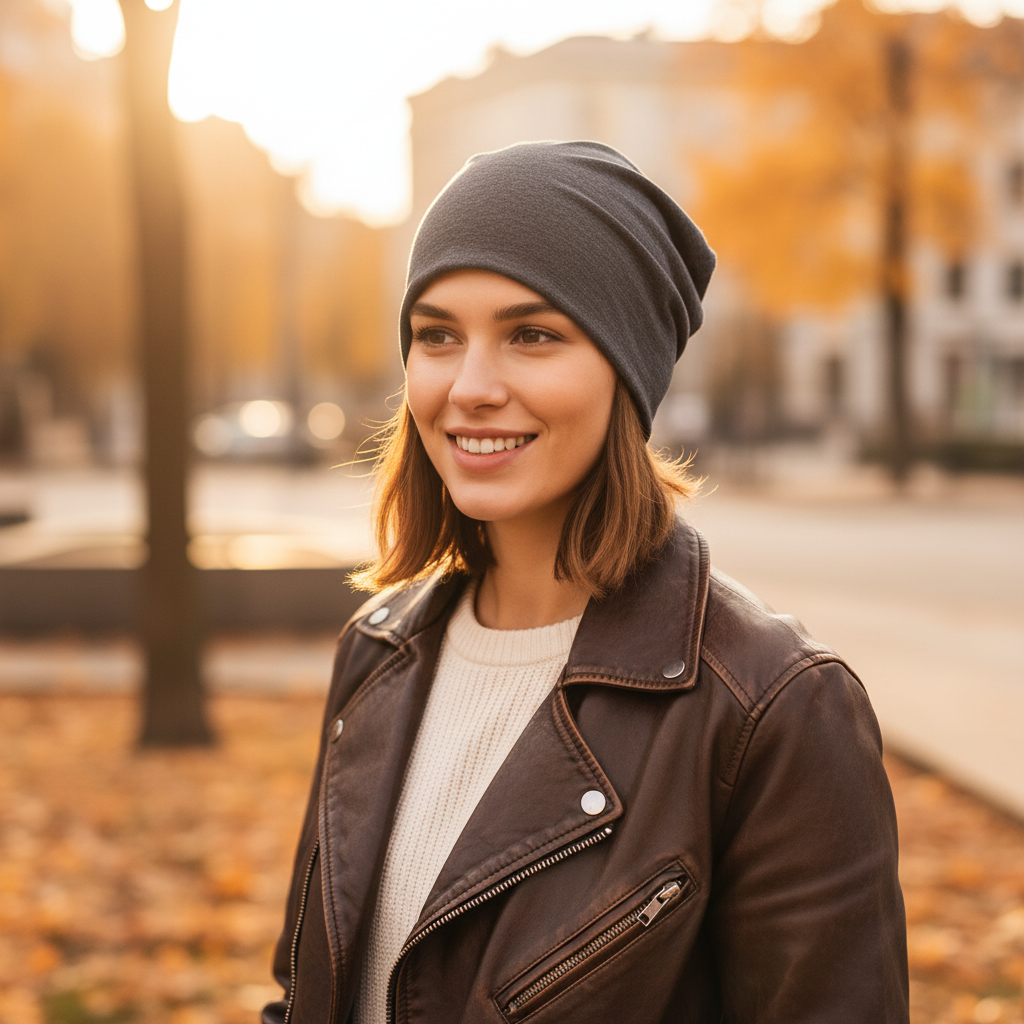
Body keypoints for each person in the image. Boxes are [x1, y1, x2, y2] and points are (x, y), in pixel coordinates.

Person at [263, 141, 909, 1024]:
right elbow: (305, 994)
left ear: (626, 368)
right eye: (438, 335)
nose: (470, 386)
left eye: (532, 335)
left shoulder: (772, 710)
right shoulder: (379, 649)